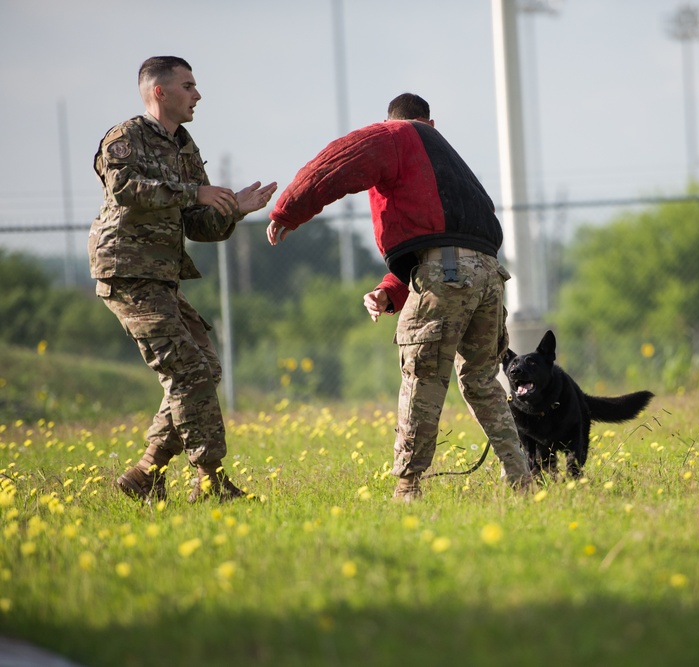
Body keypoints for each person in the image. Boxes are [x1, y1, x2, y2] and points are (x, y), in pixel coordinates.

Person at [266, 92, 532, 501]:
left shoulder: (395, 136)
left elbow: (339, 161)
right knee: (481, 380)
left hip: (446, 273)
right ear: (432, 123)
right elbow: (440, 243)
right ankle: (520, 478)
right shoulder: (451, 161)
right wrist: (391, 292)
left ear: (395, 121)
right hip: (490, 275)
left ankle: (408, 488)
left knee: (422, 377)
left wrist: (289, 209)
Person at [89, 56, 277, 503]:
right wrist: (195, 193)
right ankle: (210, 481)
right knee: (188, 369)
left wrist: (233, 210)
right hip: (127, 271)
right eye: (188, 86)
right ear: (160, 91)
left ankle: (146, 472)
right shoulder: (125, 137)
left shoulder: (185, 147)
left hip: (162, 277)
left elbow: (198, 224)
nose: (197, 95)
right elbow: (124, 190)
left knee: (205, 367)